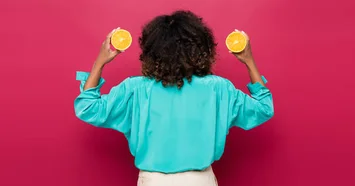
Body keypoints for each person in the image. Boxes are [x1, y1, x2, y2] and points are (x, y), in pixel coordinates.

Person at [74, 10, 274, 186]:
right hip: (200, 181)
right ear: (201, 50)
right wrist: (249, 61)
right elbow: (264, 108)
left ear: (151, 51)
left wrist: (100, 62)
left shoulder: (135, 89)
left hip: (153, 181)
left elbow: (88, 107)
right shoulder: (218, 89)